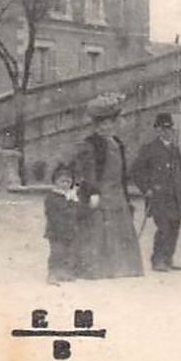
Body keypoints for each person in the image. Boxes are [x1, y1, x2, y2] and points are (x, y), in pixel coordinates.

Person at [72, 95, 144, 280]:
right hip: (100, 193)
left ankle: (121, 267)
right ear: (96, 126)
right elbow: (88, 171)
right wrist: (93, 192)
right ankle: (96, 269)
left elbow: (121, 173)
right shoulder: (90, 144)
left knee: (119, 231)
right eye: (102, 124)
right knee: (97, 232)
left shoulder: (117, 143)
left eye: (110, 123)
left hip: (117, 194)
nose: (107, 127)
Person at [131, 113, 181, 273]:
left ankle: (168, 258)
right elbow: (137, 171)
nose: (166, 132)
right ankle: (157, 260)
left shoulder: (175, 149)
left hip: (176, 196)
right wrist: (147, 189)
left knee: (174, 228)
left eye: (169, 128)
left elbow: (180, 169)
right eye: (163, 128)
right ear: (157, 130)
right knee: (163, 228)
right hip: (159, 197)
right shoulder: (149, 149)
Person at [43, 163, 84, 284]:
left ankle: (64, 272)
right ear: (55, 182)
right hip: (56, 230)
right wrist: (68, 202)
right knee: (57, 252)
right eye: (62, 181)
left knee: (69, 252)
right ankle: (52, 274)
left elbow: (79, 211)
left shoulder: (72, 196)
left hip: (70, 229)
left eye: (68, 181)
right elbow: (52, 213)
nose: (65, 184)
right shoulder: (52, 196)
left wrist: (75, 202)